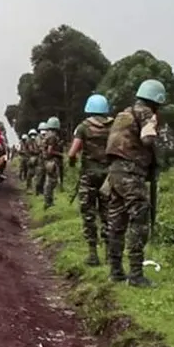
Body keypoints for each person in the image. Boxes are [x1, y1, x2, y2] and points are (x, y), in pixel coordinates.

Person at [102, 79, 166, 287]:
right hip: (131, 172)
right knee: (139, 220)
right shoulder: (146, 113)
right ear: (157, 100)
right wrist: (155, 150)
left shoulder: (124, 114)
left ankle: (116, 271)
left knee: (116, 223)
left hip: (114, 174)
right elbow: (147, 139)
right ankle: (136, 275)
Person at [68, 94, 113, 266]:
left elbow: (73, 152)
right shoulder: (114, 125)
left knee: (89, 215)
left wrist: (72, 162)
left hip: (89, 176)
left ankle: (93, 254)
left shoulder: (84, 127)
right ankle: (110, 255)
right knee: (108, 215)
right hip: (109, 177)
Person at [38, 117, 63, 207]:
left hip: (47, 161)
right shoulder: (52, 136)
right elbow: (50, 151)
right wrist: (60, 154)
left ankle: (48, 201)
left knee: (49, 181)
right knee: (51, 182)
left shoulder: (48, 134)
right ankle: (48, 202)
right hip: (51, 161)